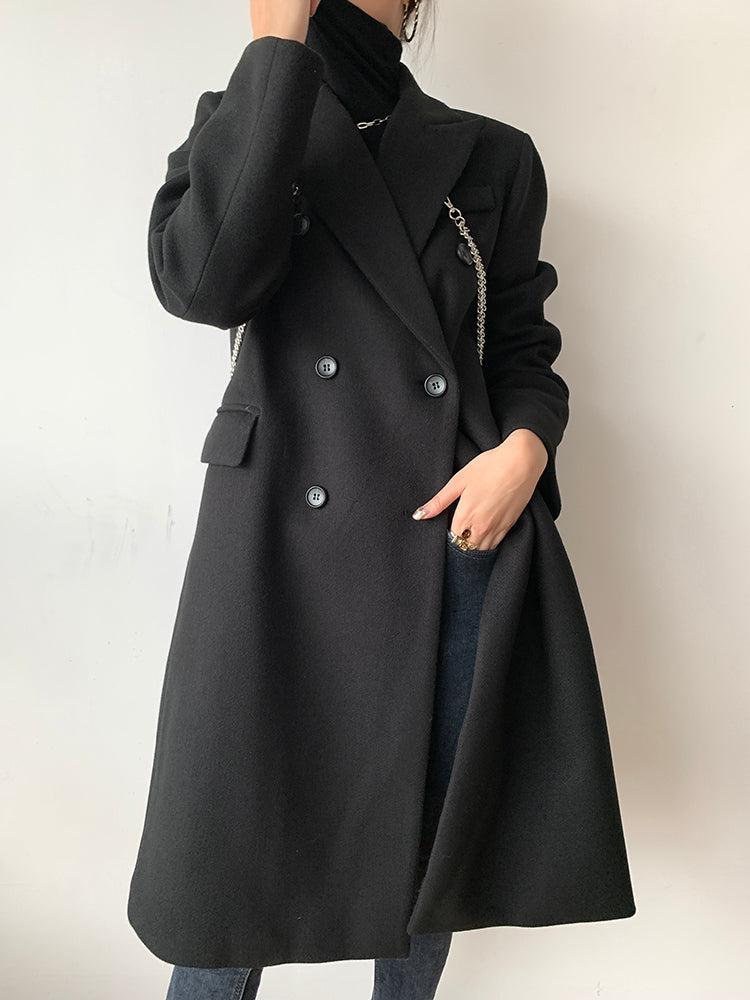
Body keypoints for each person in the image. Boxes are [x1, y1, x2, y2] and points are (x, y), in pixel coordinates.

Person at [128, 1, 636, 997]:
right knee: (231, 868)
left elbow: (522, 348)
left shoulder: (491, 156)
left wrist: (525, 451)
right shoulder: (244, 115)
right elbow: (202, 284)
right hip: (273, 548)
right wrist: (275, 48)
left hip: (443, 538)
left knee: (417, 861)